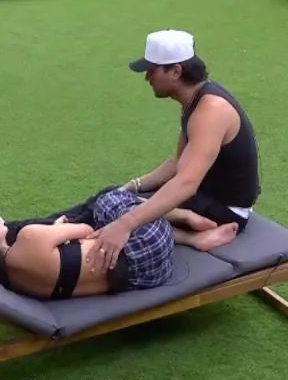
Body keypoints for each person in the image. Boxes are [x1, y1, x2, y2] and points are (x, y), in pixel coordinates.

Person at [85, 29, 261, 274]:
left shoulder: (211, 110)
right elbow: (179, 162)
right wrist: (133, 186)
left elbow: (185, 183)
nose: (147, 77)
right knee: (112, 197)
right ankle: (179, 217)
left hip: (223, 212)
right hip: (203, 198)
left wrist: (126, 224)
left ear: (176, 71)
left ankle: (193, 236)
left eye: (152, 70)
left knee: (113, 209)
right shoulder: (195, 101)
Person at [0, 185, 175, 300]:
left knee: (101, 212)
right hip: (150, 241)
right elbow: (87, 229)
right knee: (106, 200)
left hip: (147, 277)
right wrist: (57, 230)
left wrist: (56, 234)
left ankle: (178, 226)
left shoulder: (15, 283)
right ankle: (178, 216)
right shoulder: (28, 238)